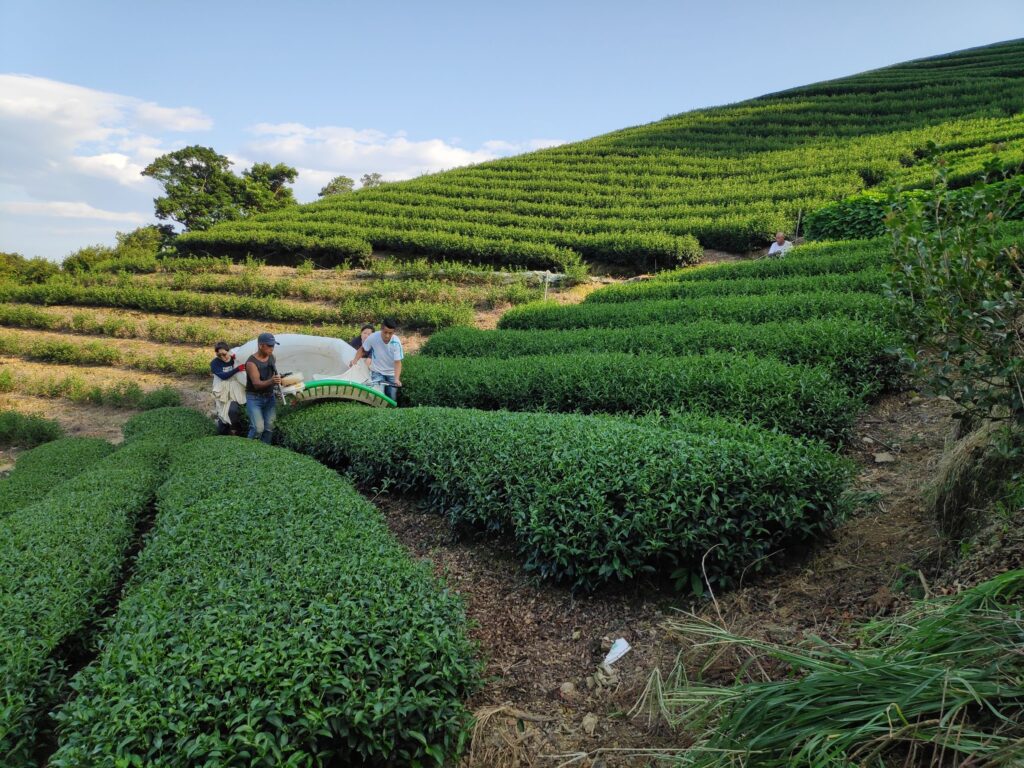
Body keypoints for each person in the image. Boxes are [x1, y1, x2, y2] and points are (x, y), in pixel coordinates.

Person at [349, 317, 403, 400]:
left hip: (391, 373)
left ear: (393, 332)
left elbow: (397, 362)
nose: (387, 335)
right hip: (377, 371)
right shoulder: (373, 337)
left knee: (392, 397)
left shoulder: (396, 342)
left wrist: (396, 379)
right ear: (381, 328)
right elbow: (362, 349)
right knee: (378, 395)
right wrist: (354, 361)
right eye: (385, 332)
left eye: (390, 333)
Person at [244, 332, 282, 443]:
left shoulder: (272, 357)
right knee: (257, 429)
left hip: (269, 397)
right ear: (261, 346)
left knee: (270, 427)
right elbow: (256, 384)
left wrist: (280, 380)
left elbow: (273, 374)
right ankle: (247, 450)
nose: (272, 348)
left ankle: (265, 451)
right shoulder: (251, 363)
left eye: (273, 345)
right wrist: (272, 380)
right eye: (269, 346)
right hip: (255, 398)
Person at [210, 341, 246, 435]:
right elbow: (223, 376)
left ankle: (236, 432)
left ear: (228, 351)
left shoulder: (235, 357)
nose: (222, 357)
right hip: (222, 390)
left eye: (224, 354)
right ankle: (222, 435)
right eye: (219, 355)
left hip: (236, 390)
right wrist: (237, 369)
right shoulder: (214, 363)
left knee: (233, 410)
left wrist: (238, 360)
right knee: (222, 414)